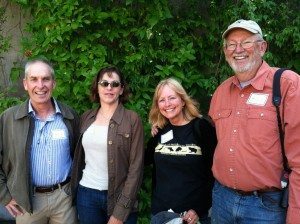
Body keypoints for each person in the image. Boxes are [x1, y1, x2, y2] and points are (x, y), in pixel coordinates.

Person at [209, 19, 300, 224]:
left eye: (246, 42)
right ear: (225, 52)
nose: (238, 49)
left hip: (265, 208)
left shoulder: (287, 85)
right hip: (222, 200)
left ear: (262, 47)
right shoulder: (221, 92)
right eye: (231, 44)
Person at [0, 59, 79, 224]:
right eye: (34, 79)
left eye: (46, 79)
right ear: (25, 84)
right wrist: (4, 195)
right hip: (28, 202)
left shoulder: (69, 116)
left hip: (64, 198)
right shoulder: (9, 119)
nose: (40, 85)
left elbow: (79, 156)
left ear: (54, 83)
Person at [70, 66, 144, 224]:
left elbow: (136, 168)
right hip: (87, 196)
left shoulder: (132, 119)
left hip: (120, 196)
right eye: (104, 83)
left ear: (121, 89)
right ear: (97, 87)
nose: (109, 88)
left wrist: (121, 209)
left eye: (115, 84)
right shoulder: (86, 117)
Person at [146, 78, 217, 224]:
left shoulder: (201, 127)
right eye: (162, 100)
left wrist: (199, 208)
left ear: (183, 100)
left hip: (192, 216)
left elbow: (215, 173)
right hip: (161, 214)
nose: (167, 104)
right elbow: (146, 160)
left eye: (172, 98)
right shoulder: (161, 130)